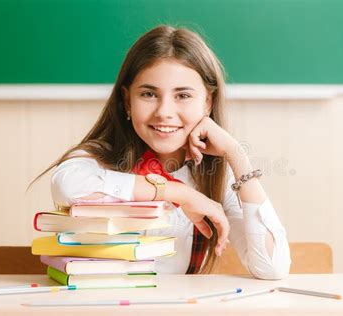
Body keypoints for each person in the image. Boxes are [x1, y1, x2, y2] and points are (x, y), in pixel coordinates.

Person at [33, 25, 290, 279]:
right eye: (148, 94)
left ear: (208, 103)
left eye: (183, 95)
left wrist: (237, 155)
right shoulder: (102, 158)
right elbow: (67, 186)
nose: (164, 111)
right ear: (127, 101)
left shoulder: (215, 177)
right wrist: (181, 194)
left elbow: (271, 267)